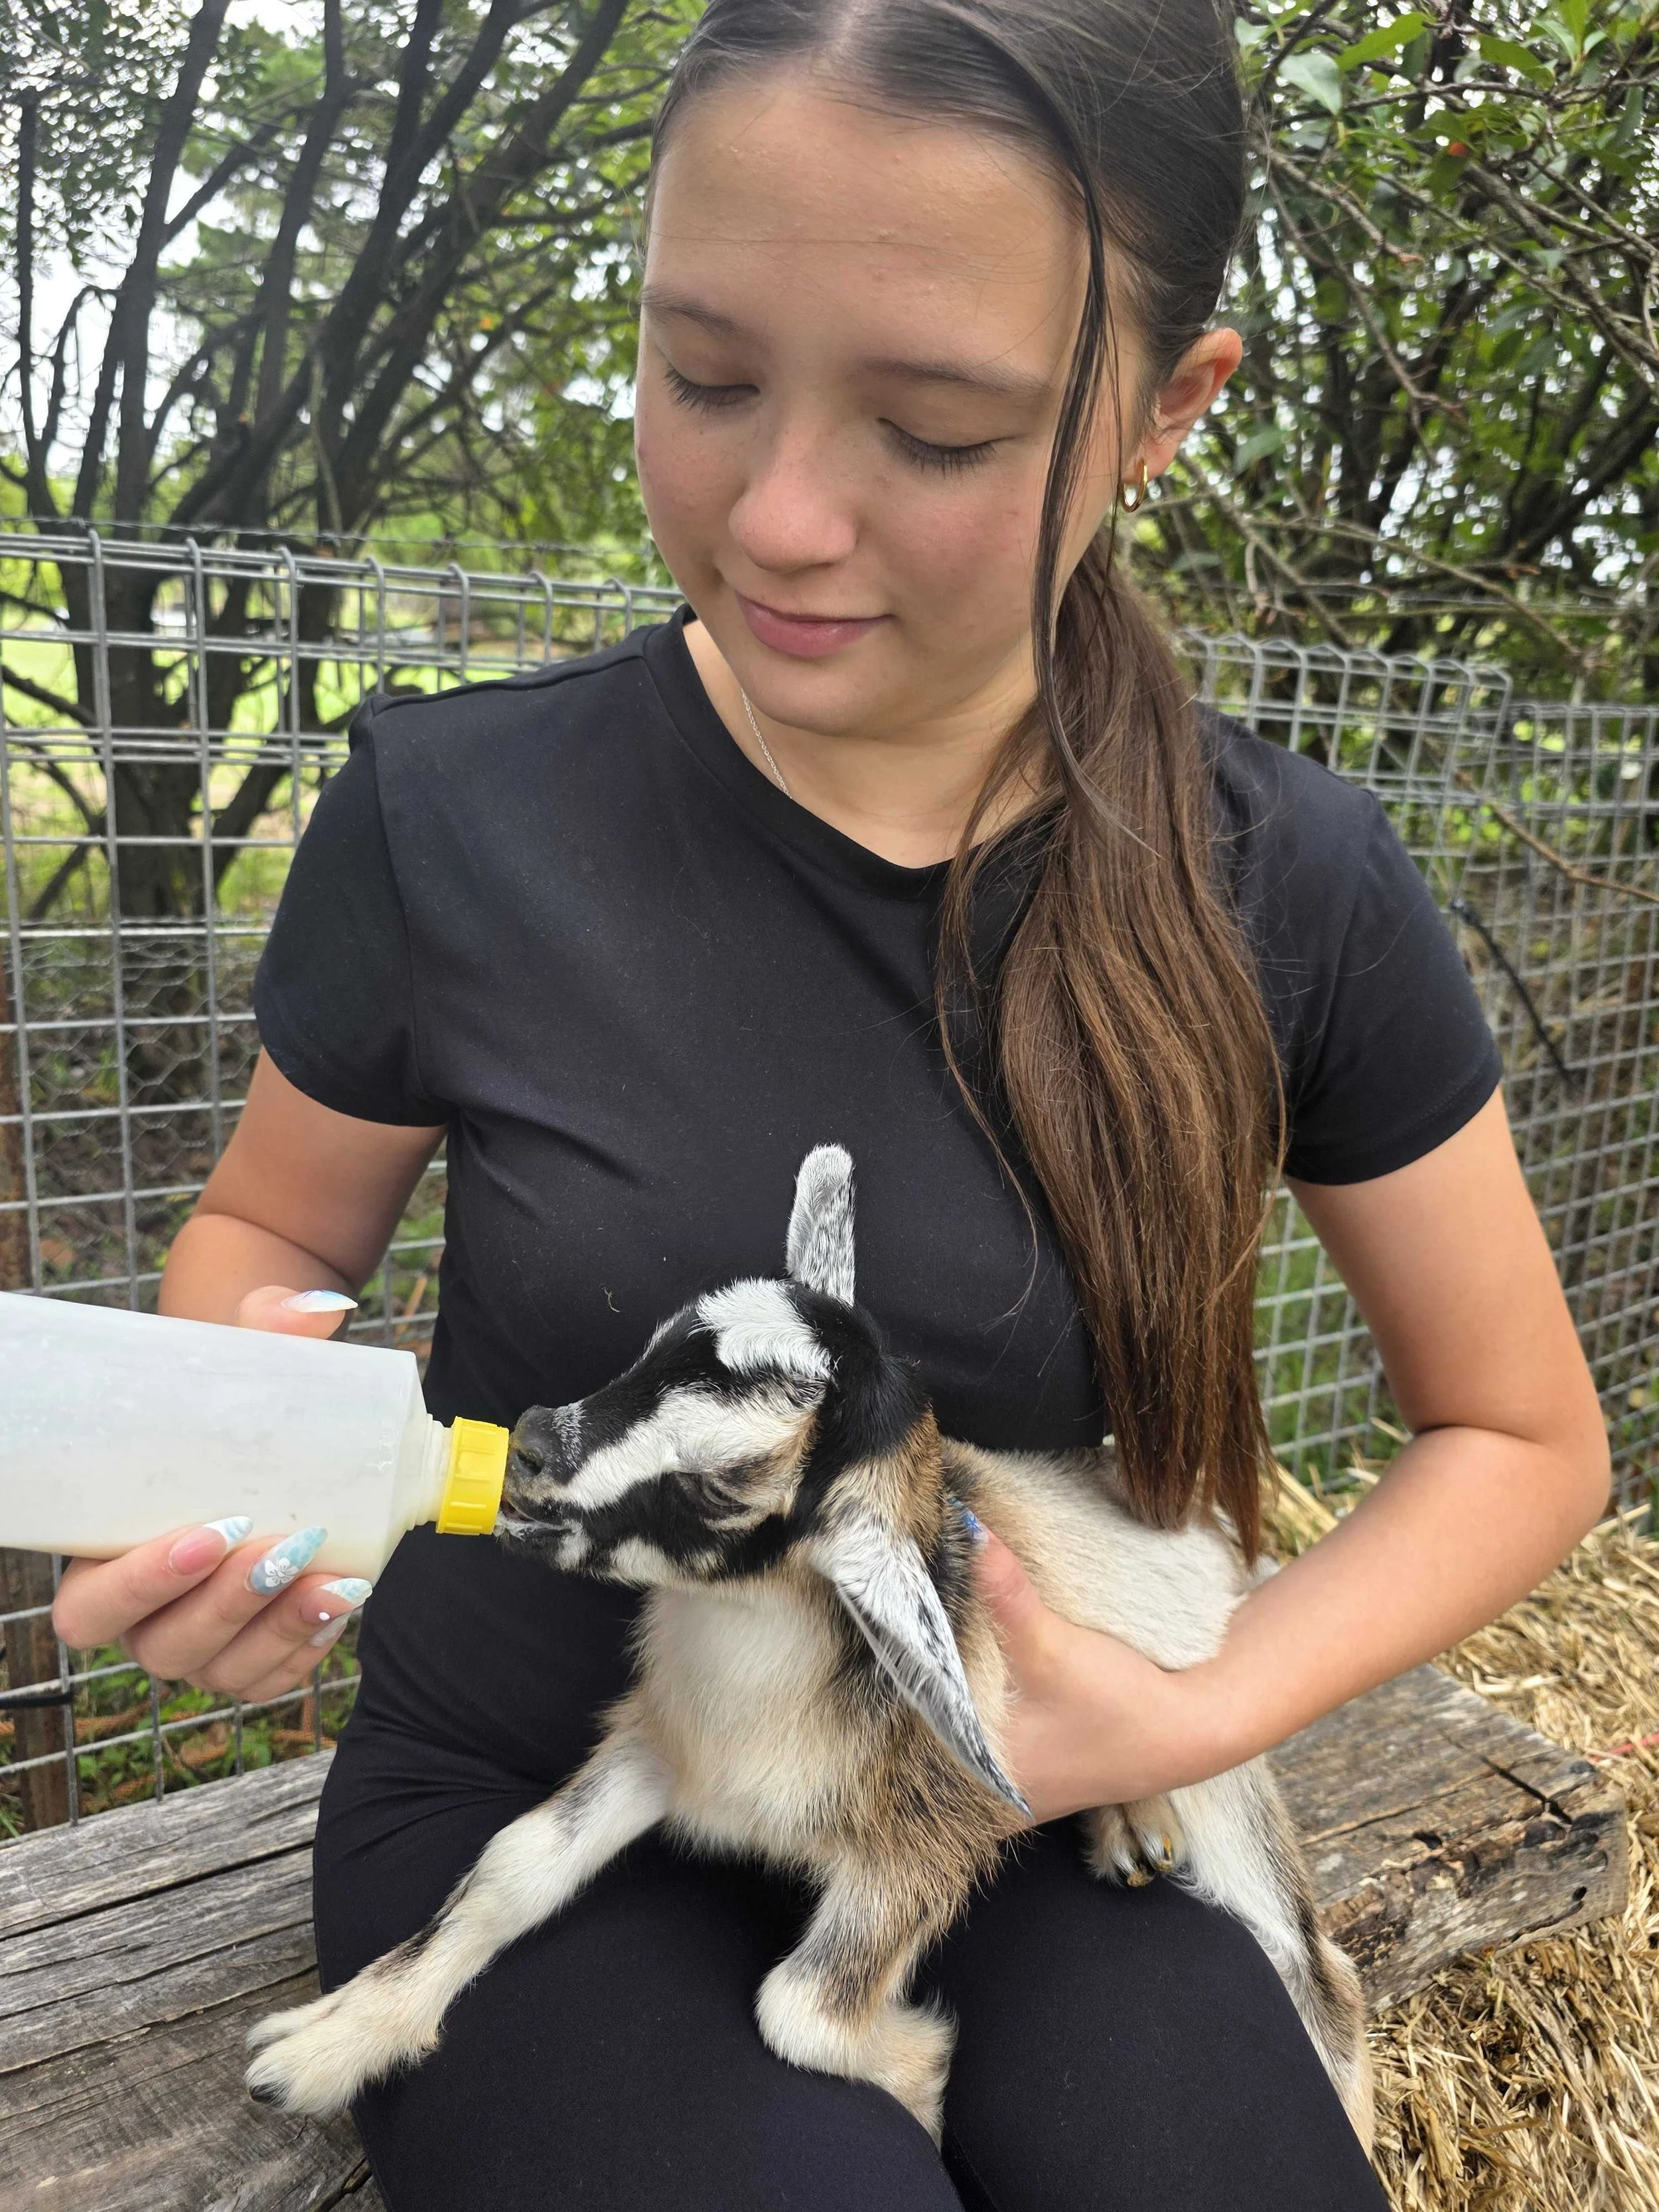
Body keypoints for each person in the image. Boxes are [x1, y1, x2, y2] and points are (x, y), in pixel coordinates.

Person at [55, 4, 1611, 2207]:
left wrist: (1179, 1715)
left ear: (1165, 410)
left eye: (939, 423)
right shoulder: (454, 812)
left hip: (1024, 1799)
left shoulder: (1297, 886)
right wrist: (226, 1462)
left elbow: (1522, 1434)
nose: (777, 513)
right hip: (557, 1789)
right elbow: (271, 1241)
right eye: (701, 376)